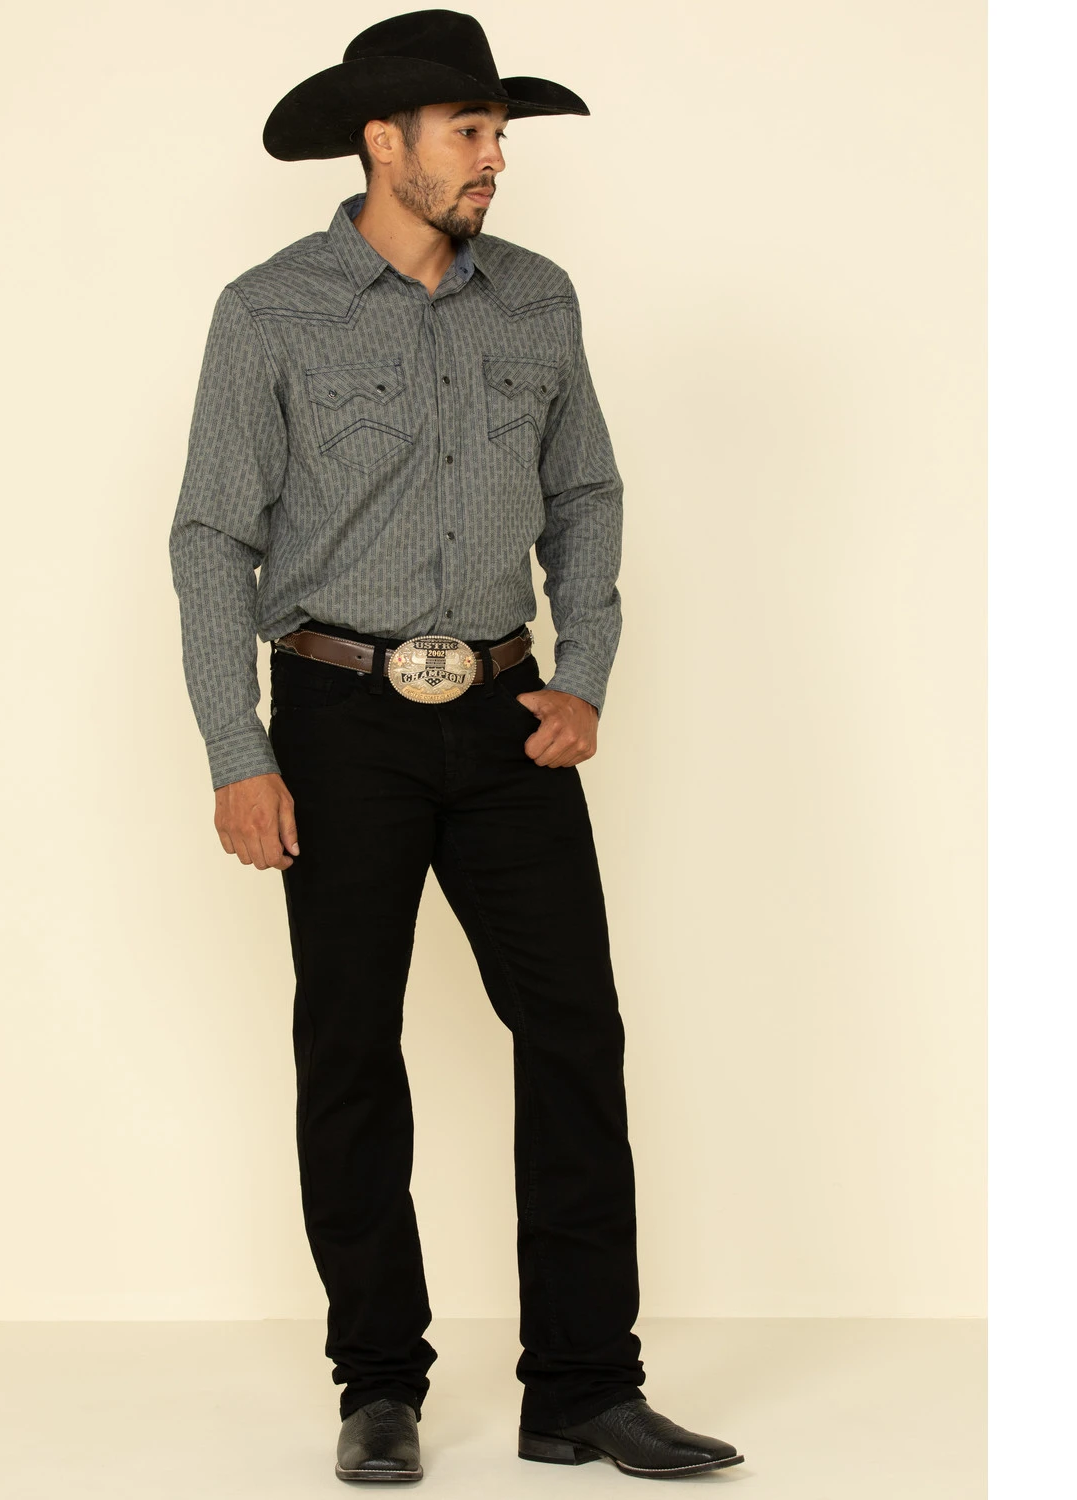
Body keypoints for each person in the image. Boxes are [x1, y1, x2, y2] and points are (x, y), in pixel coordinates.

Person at [169, 8, 744, 1484]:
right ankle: (379, 1386)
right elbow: (213, 535)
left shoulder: (536, 300)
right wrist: (239, 749)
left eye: (499, 133)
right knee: (350, 1044)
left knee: (576, 1033)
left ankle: (584, 1389)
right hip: (338, 720)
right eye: (471, 133)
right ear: (385, 142)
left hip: (506, 717)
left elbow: (588, 491)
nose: (495, 160)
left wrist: (584, 674)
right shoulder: (270, 309)